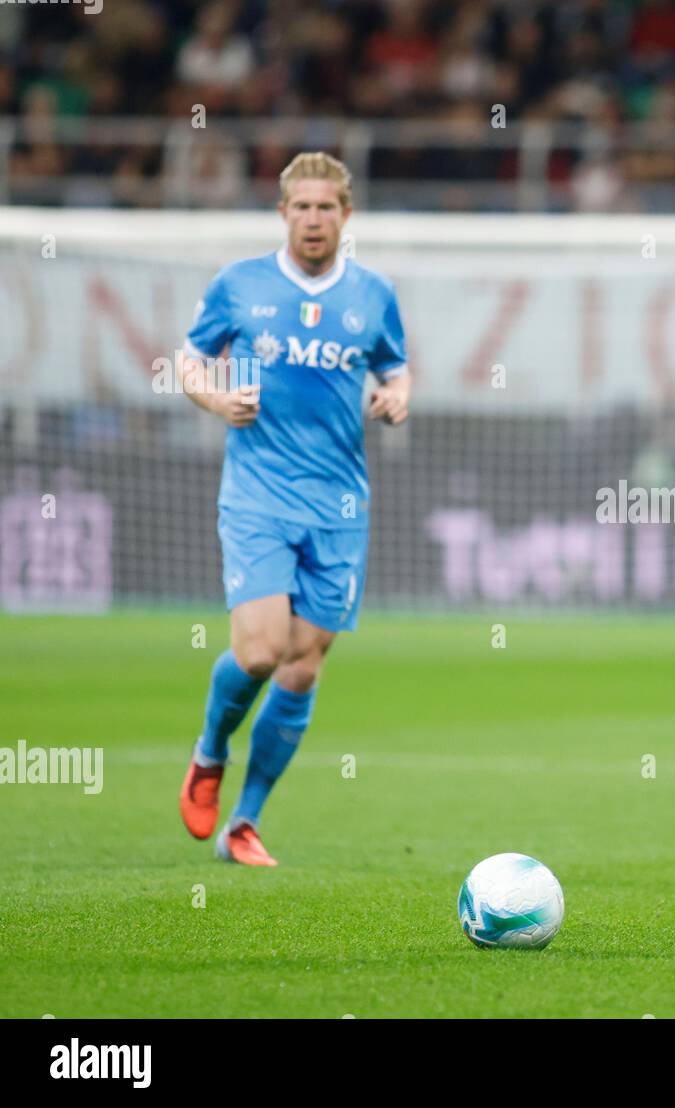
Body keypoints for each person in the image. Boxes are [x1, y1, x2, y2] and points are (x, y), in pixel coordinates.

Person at [177, 152, 410, 866]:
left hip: (340, 504)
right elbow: (188, 358)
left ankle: (244, 822)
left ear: (347, 215)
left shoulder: (372, 294)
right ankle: (210, 751)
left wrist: (397, 397)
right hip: (258, 493)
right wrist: (216, 397)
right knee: (259, 650)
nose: (314, 219)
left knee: (303, 668)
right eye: (302, 207)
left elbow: (395, 367)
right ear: (282, 213)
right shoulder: (240, 286)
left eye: (327, 207)